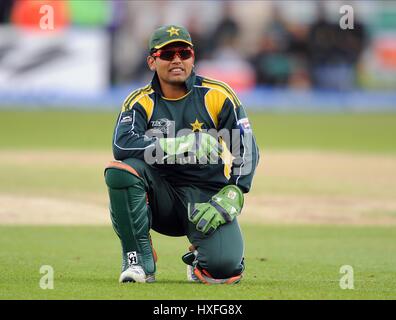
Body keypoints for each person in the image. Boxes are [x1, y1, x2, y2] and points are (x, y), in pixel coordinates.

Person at [104, 25, 259, 284]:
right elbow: (122, 144)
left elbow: (246, 146)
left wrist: (236, 190)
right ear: (152, 61)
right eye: (167, 54)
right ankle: (138, 259)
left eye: (183, 52)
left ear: (193, 58)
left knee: (223, 270)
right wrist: (176, 145)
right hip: (158, 197)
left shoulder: (218, 94)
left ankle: (202, 256)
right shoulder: (139, 101)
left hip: (206, 200)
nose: (177, 59)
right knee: (121, 171)